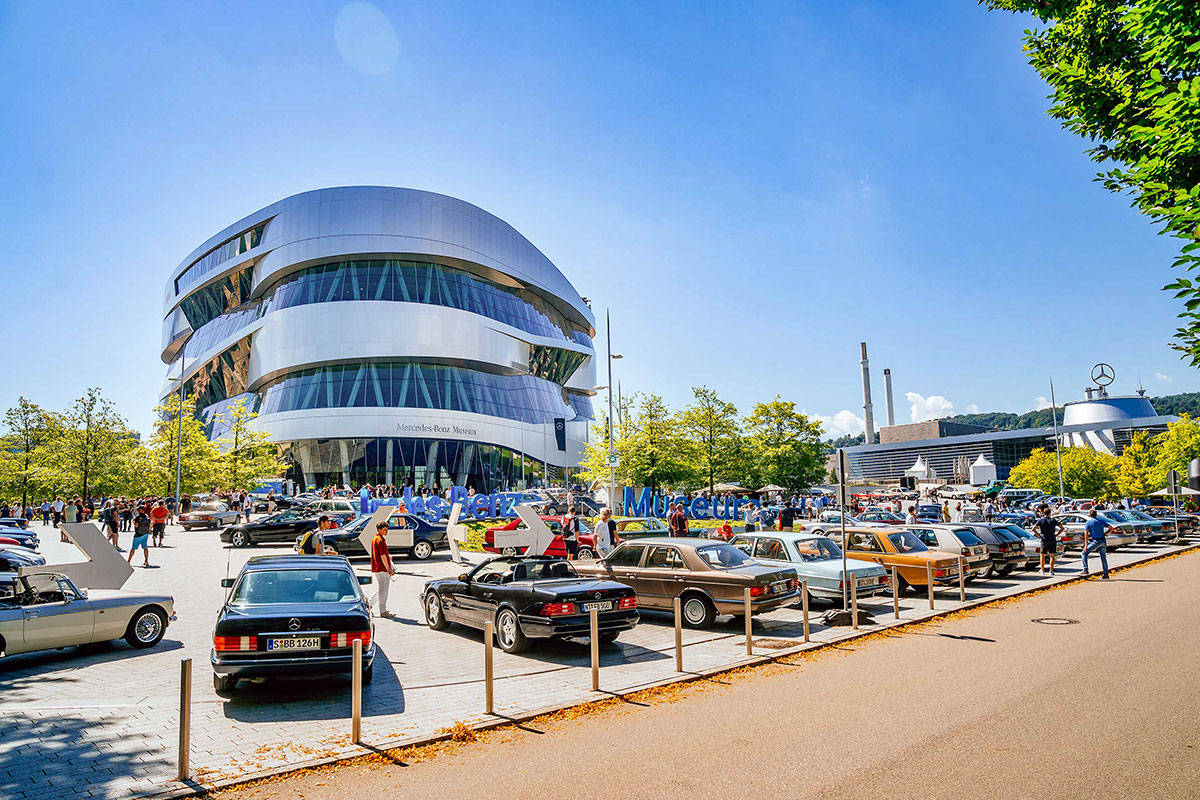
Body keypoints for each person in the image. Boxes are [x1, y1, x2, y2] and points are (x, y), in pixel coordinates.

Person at [370, 520, 395, 617]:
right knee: (383, 590)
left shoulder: (375, 539)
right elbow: (383, 556)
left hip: (377, 568)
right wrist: (388, 569)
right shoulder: (380, 540)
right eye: (384, 529)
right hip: (382, 568)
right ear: (379, 530)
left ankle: (368, 604)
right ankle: (383, 610)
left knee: (380, 589)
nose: (386, 531)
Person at [1082, 509, 1111, 579]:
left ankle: (1085, 569)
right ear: (1096, 515)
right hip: (1102, 540)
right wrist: (1106, 533)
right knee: (1103, 557)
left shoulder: (1088, 522)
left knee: (1084, 553)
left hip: (1095, 540)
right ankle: (1106, 574)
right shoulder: (1101, 521)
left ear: (1090, 515)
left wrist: (1086, 544)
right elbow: (1111, 528)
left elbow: (1086, 533)